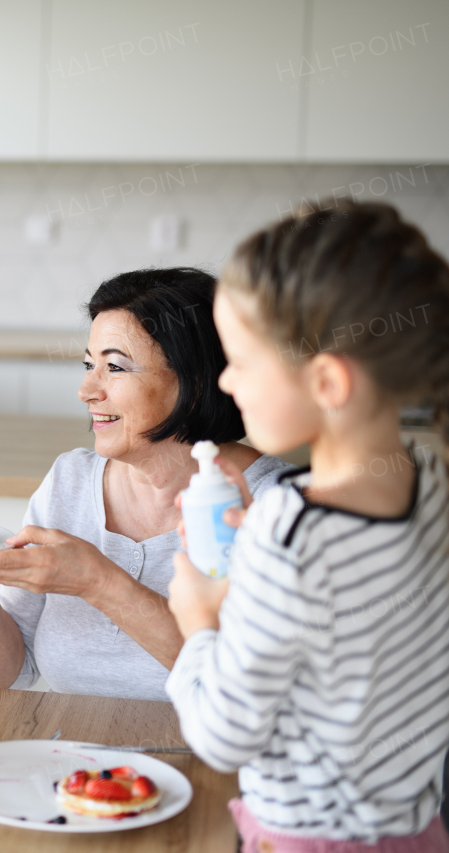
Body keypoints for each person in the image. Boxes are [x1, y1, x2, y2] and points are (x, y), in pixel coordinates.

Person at [167, 202, 449, 850]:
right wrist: (261, 579)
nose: (227, 380)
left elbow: (222, 736)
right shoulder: (431, 478)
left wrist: (199, 621)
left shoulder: (287, 530)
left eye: (240, 359)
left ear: (326, 379)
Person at [0, 268, 294, 701]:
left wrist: (98, 582)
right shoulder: (68, 483)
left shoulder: (274, 507)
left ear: (194, 383)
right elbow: (8, 674)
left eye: (115, 367)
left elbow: (248, 692)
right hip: (77, 765)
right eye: (89, 365)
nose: (87, 389)